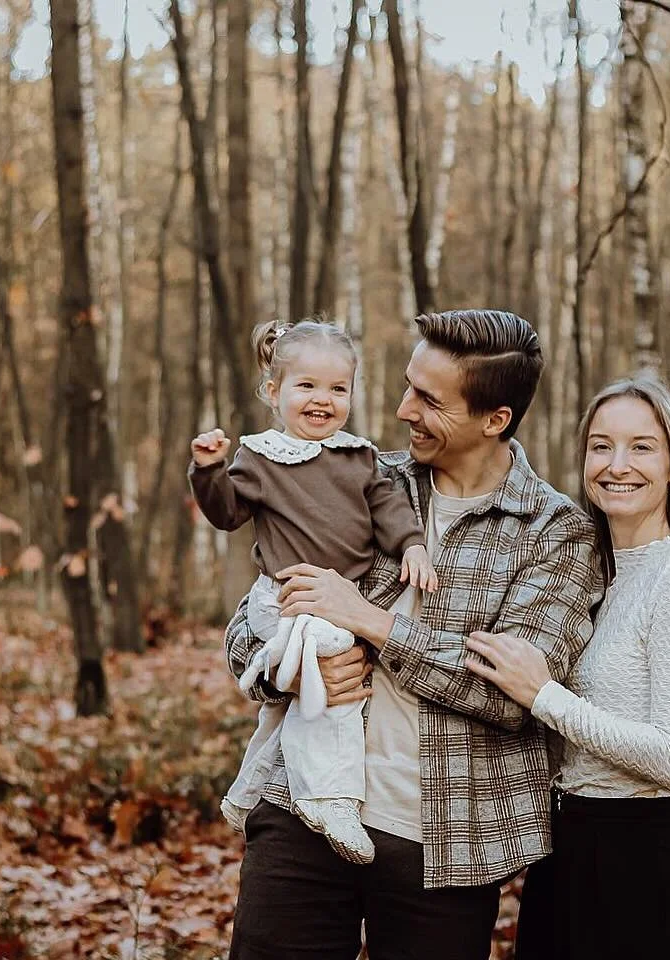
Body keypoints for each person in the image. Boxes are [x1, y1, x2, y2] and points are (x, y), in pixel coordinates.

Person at [224, 309, 603, 960]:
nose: (403, 409)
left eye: (429, 399)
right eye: (407, 386)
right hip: (301, 808)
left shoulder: (555, 532)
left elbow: (513, 694)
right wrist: (282, 668)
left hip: (446, 842)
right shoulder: (362, 477)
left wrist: (373, 623)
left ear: (495, 420)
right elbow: (245, 625)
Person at [465, 375, 670, 960]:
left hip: (638, 870)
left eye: (641, 446)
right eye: (600, 445)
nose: (617, 464)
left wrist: (542, 696)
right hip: (562, 858)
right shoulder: (592, 575)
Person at [189, 317, 438, 865]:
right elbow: (227, 513)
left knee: (288, 708)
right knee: (333, 688)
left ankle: (249, 787)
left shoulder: (359, 456)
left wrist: (413, 545)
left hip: (341, 595)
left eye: (337, 388)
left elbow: (389, 507)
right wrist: (207, 470)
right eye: (306, 386)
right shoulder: (261, 456)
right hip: (285, 593)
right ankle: (330, 798)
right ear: (274, 393)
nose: (322, 399)